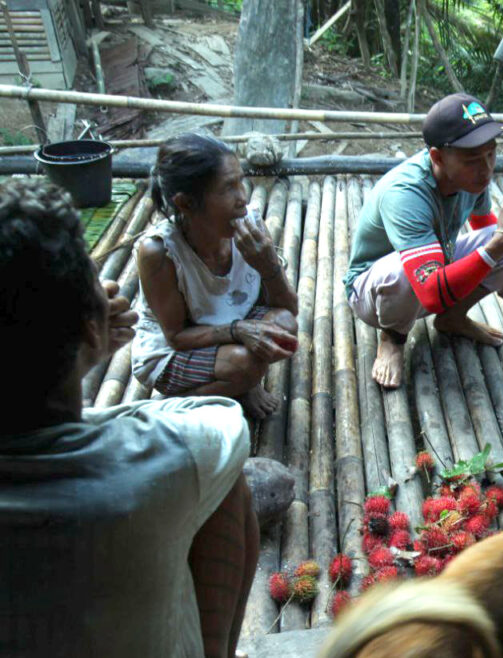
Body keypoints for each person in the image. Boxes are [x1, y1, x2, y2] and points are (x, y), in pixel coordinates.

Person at [0, 179, 258, 658]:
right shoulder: (162, 455)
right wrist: (89, 344)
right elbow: (224, 421)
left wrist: (81, 336)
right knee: (228, 487)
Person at [345, 93, 503, 388]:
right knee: (405, 271)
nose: (486, 169)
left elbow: (484, 225)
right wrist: (500, 243)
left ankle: (452, 318)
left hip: (435, 272)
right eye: (473, 159)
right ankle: (393, 337)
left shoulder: (472, 177)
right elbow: (430, 292)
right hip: (375, 293)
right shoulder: (405, 194)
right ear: (437, 157)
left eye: (491, 154)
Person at [133, 133, 299, 419]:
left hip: (227, 329)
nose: (242, 198)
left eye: (240, 182)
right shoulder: (159, 252)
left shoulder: (250, 225)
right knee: (244, 365)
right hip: (173, 351)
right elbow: (176, 336)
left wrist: (268, 265)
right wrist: (239, 331)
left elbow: (289, 309)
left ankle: (241, 383)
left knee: (284, 325)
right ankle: (171, 406)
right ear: (185, 203)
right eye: (228, 188)